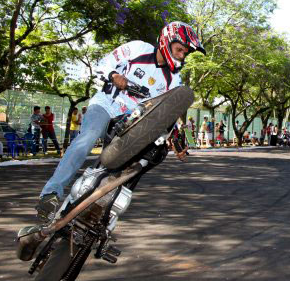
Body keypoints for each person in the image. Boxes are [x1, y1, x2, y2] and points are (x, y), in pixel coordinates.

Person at [32, 21, 205, 224]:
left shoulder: (173, 80)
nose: (182, 56)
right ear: (167, 41)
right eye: (179, 50)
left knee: (137, 163)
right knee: (88, 138)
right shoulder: (139, 48)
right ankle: (50, 194)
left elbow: (168, 112)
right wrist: (114, 75)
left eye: (185, 53)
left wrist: (177, 138)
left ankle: (102, 217)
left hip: (129, 124)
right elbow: (104, 64)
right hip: (106, 105)